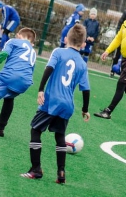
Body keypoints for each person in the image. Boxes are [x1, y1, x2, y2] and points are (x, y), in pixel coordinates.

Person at [20, 24, 90, 183]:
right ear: (83, 44)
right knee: (60, 136)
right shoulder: (82, 64)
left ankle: (36, 169)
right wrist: (85, 109)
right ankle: (61, 174)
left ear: (66, 39)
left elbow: (48, 69)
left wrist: (40, 89)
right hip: (67, 105)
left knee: (35, 130)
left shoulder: (58, 52)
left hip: (51, 101)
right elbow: (86, 90)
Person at [94, 20, 126, 119]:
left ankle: (108, 111)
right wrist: (107, 51)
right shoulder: (125, 23)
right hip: (124, 59)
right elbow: (118, 38)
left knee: (121, 84)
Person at [110, 10, 126, 77]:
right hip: (122, 37)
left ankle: (122, 72)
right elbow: (120, 23)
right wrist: (118, 34)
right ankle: (112, 71)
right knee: (117, 54)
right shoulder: (125, 13)